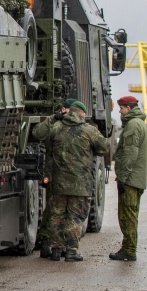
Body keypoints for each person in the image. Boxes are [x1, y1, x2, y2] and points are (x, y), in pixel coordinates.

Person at [46, 100, 108, 262]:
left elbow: (48, 149)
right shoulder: (89, 130)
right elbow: (104, 148)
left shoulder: (56, 128)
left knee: (57, 216)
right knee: (76, 217)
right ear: (81, 114)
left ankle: (56, 250)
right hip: (80, 184)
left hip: (59, 182)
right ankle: (71, 251)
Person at [33, 97, 77, 258]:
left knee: (66, 211)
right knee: (53, 209)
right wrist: (53, 118)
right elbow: (38, 133)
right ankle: (46, 242)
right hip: (55, 173)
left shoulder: (78, 126)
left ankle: (61, 245)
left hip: (68, 174)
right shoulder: (55, 124)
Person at [109, 95, 147, 261]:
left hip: (131, 179)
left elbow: (130, 154)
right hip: (137, 178)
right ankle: (128, 248)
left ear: (129, 108)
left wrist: (123, 178)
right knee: (131, 214)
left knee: (127, 216)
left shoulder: (132, 125)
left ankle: (129, 250)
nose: (119, 111)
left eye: (122, 107)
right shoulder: (141, 124)